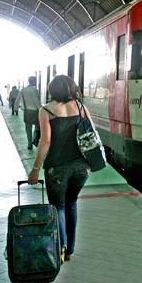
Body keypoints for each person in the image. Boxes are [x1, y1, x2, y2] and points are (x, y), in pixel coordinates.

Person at [27, 75, 91, 264]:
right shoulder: (81, 107)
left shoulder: (46, 110)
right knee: (71, 203)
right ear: (72, 88)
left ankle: (61, 246)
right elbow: (89, 134)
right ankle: (70, 249)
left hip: (57, 168)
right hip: (81, 167)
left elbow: (45, 141)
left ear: (52, 90)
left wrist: (35, 169)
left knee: (59, 207)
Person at [14, 76, 41, 150]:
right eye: (35, 80)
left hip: (26, 111)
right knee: (37, 127)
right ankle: (34, 140)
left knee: (28, 128)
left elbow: (17, 100)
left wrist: (15, 108)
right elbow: (36, 101)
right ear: (33, 81)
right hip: (35, 111)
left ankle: (29, 144)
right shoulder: (34, 90)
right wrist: (41, 110)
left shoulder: (23, 90)